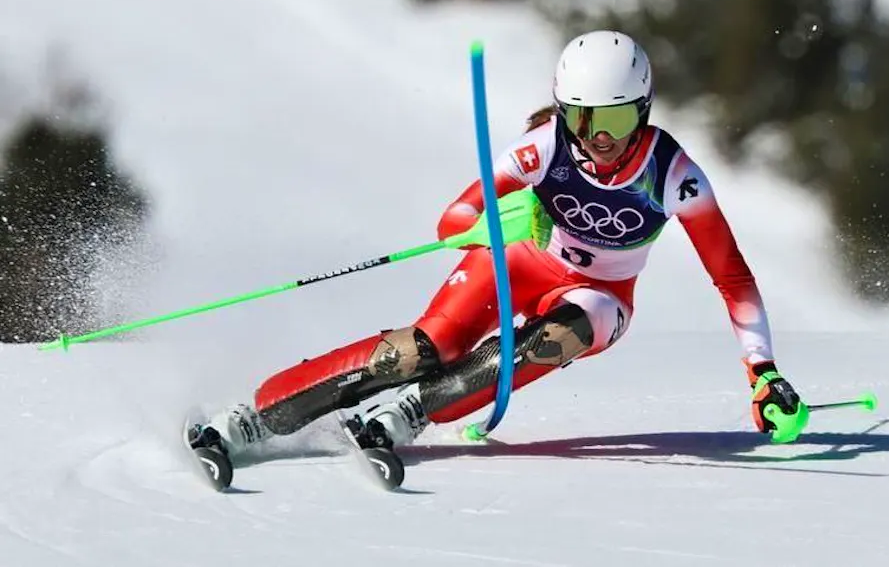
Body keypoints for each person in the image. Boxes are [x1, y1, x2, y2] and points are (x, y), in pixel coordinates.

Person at [189, 30, 806, 459]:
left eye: (615, 121)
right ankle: (258, 417)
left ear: (642, 112)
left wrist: (763, 372)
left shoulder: (675, 174)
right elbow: (455, 214)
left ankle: (412, 414)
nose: (598, 139)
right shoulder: (543, 148)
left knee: (559, 335)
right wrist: (483, 225)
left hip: (601, 293)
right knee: (422, 349)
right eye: (582, 119)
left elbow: (732, 278)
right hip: (520, 261)